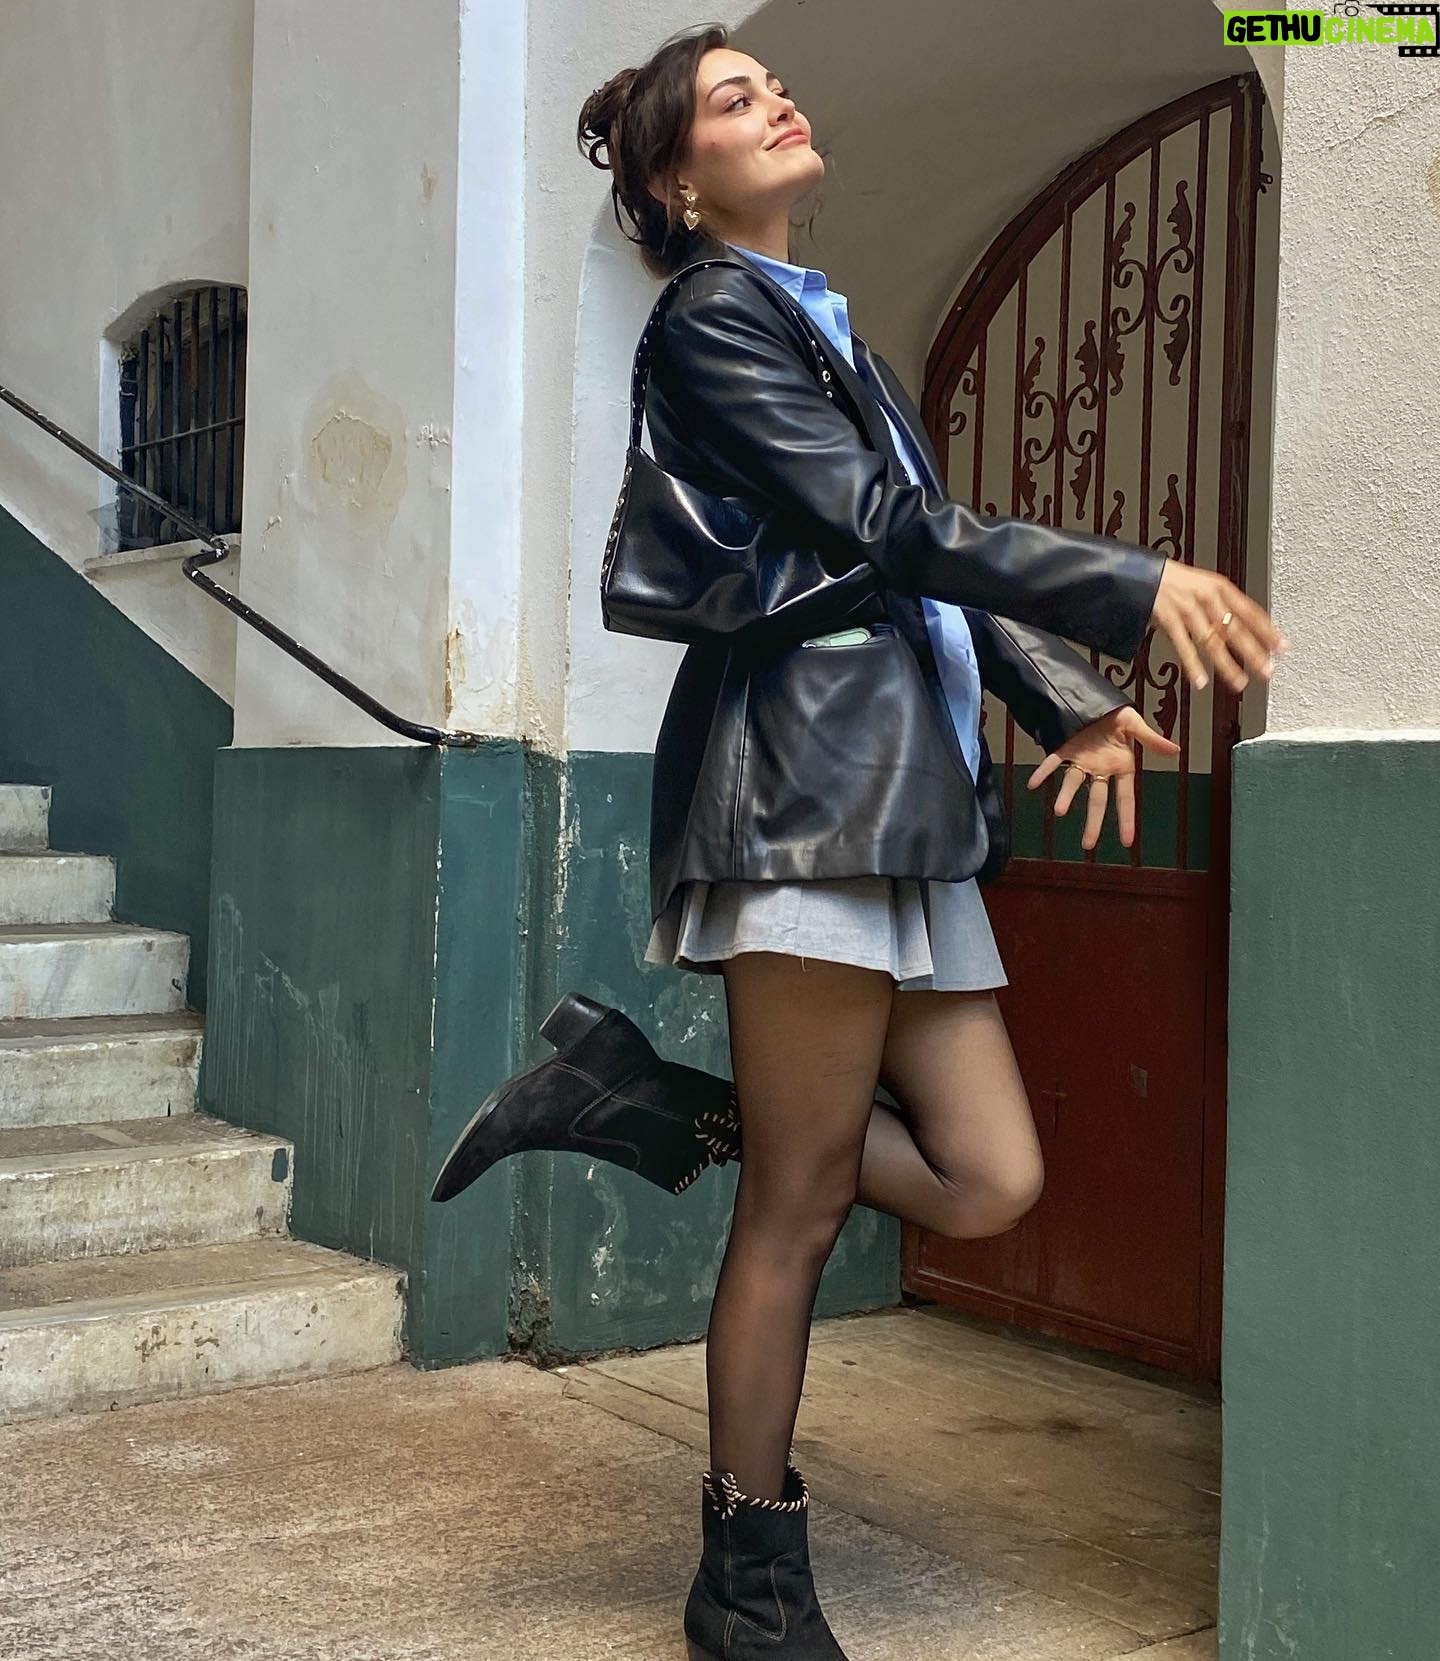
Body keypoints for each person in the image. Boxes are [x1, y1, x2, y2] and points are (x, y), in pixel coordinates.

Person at [433, 25, 1284, 1660]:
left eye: (772, 83)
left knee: (991, 1174)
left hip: (903, 803)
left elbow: (908, 563)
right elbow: (894, 531)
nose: (776, 101)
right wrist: (1127, 590)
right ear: (678, 183)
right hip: (806, 796)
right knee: (802, 1204)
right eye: (732, 99)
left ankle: (657, 1100)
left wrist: (1067, 701)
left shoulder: (829, 333)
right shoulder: (709, 320)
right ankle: (746, 1575)